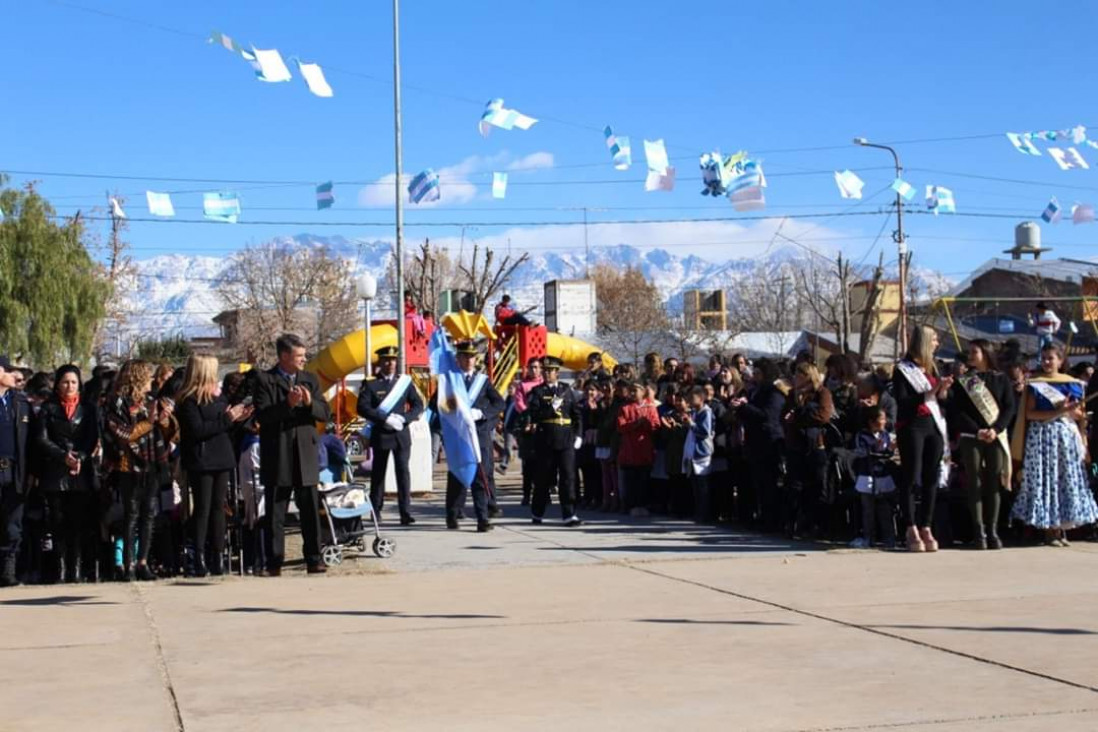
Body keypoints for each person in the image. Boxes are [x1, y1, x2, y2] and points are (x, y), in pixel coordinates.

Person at [254, 334, 331, 576]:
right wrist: (287, 404)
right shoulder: (265, 380)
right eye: (299, 356)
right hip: (279, 453)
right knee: (276, 510)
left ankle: (314, 558)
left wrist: (309, 404)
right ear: (285, 356)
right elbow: (263, 417)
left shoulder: (309, 379)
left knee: (309, 509)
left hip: (305, 453)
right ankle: (274, 562)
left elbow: (324, 412)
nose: (303, 359)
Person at [1010, 343, 1098, 545]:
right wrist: (1057, 411)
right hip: (1042, 437)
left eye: (1051, 358)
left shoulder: (1073, 383)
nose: (1047, 362)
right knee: (1046, 481)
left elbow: (1079, 415)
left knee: (1064, 479)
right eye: (1044, 358)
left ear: (1060, 360)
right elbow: (1030, 413)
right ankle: (1049, 529)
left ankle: (1061, 527)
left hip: (1065, 437)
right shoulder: (1036, 384)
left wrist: (1069, 409)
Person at [176, 355, 253, 576]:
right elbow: (198, 430)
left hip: (222, 456)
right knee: (202, 508)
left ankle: (218, 556)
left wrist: (237, 419)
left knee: (219, 508)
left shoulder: (219, 398)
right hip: (201, 459)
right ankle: (198, 557)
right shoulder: (188, 401)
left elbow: (223, 426)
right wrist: (228, 419)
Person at [104, 360, 176, 581]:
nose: (152, 381)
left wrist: (165, 420)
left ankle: (143, 561)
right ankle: (128, 564)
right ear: (137, 377)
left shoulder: (151, 400)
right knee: (131, 515)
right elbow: (123, 434)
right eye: (148, 376)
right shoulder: (116, 402)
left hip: (152, 461)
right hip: (129, 464)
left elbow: (169, 432)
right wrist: (150, 422)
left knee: (149, 513)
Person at [33, 365, 99, 583]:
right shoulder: (48, 408)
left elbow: (91, 438)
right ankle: (60, 569)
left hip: (80, 471)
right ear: (57, 384)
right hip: (55, 471)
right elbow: (42, 439)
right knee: (57, 522)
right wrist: (63, 456)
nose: (69, 386)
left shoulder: (88, 409)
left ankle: (77, 569)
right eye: (64, 382)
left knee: (78, 523)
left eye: (73, 382)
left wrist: (79, 456)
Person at [948, 339, 1015, 550]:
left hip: (996, 436)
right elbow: (957, 411)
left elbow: (1009, 407)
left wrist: (995, 429)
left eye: (974, 351)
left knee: (993, 482)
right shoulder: (965, 381)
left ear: (985, 353)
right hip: (972, 437)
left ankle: (993, 529)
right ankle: (979, 531)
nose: (970, 355)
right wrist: (977, 430)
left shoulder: (1001, 379)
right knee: (973, 482)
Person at [893, 326, 952, 553]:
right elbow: (903, 400)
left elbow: (942, 401)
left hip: (933, 425)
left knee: (931, 477)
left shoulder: (932, 368)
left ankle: (926, 525)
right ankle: (910, 527)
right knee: (911, 476)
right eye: (934, 339)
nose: (937, 343)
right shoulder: (902, 370)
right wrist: (928, 393)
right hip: (912, 426)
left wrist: (943, 391)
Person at [439, 341, 504, 532]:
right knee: (457, 476)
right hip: (458, 436)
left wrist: (481, 413)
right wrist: (457, 412)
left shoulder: (482, 382)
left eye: (472, 357)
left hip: (479, 435)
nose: (469, 360)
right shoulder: (450, 382)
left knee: (479, 475)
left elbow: (499, 404)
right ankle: (452, 514)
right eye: (465, 356)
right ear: (458, 359)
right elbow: (441, 406)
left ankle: (482, 518)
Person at [357, 345, 424, 526]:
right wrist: (384, 418)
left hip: (401, 434)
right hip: (381, 433)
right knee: (378, 474)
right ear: (380, 362)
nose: (390, 363)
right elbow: (362, 407)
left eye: (393, 360)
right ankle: (376, 510)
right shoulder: (371, 383)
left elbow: (418, 405)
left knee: (403, 473)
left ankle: (406, 512)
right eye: (386, 360)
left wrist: (405, 419)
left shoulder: (404, 382)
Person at [527, 356, 582, 526]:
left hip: (566, 439)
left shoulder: (567, 390)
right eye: (546, 370)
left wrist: (578, 435)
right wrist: (551, 408)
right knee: (543, 478)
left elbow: (577, 415)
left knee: (568, 478)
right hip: (546, 439)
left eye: (551, 370)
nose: (547, 373)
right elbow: (535, 415)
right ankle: (537, 512)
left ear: (557, 372)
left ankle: (569, 514)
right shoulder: (537, 392)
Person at [786, 362, 835, 539]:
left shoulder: (822, 393)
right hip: (795, 445)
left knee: (817, 486)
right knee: (795, 487)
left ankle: (818, 525)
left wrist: (799, 415)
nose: (796, 378)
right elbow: (784, 416)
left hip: (816, 444)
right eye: (795, 375)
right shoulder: (792, 394)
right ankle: (795, 524)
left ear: (808, 376)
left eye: (800, 375)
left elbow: (823, 415)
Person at [0, 357, 32, 586]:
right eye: (8, 370)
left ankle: (8, 572)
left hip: (14, 470)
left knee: (13, 522)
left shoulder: (20, 403)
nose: (14, 375)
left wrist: (32, 472)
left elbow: (31, 441)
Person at [850, 406, 897, 549]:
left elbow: (888, 454)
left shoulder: (885, 435)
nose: (884, 422)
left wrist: (889, 449)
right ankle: (868, 538)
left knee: (885, 510)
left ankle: (889, 539)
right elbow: (861, 453)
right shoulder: (862, 436)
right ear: (872, 422)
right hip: (867, 476)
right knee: (868, 510)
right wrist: (876, 448)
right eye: (881, 419)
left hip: (883, 475)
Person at [616, 382, 661, 517]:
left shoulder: (650, 407)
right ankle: (631, 505)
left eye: (635, 391)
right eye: (630, 391)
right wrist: (635, 424)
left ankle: (643, 504)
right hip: (629, 450)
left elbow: (656, 425)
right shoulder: (624, 407)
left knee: (644, 479)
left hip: (645, 449)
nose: (632, 393)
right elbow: (620, 426)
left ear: (643, 392)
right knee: (630, 480)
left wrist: (646, 423)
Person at [513, 357, 543, 505]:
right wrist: (529, 417)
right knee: (528, 463)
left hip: (543, 426)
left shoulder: (544, 384)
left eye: (537, 367)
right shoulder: (522, 385)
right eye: (531, 367)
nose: (534, 370)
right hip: (527, 426)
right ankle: (526, 494)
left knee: (543, 463)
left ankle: (544, 492)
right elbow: (519, 404)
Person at [684, 386, 715, 523]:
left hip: (702, 453)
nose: (690, 400)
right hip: (693, 452)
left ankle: (705, 514)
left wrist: (691, 423)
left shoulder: (706, 412)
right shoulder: (695, 412)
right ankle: (698, 512)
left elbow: (704, 431)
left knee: (703, 486)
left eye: (693, 397)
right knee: (695, 485)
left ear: (701, 398)